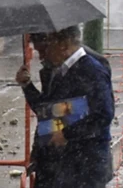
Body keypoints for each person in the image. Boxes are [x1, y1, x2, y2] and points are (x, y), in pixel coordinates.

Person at [15, 26, 115, 188]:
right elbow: (48, 113)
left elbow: (103, 115)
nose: (42, 57)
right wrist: (27, 86)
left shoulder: (92, 70)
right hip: (57, 165)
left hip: (82, 166)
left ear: (62, 44)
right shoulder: (53, 70)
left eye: (45, 50)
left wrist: (67, 134)